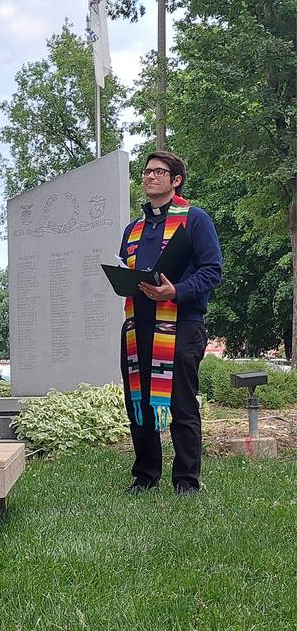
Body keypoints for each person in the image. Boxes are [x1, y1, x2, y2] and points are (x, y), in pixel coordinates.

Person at [118, 151, 221, 495]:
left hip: (182, 323)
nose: (149, 177)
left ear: (176, 180)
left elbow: (212, 271)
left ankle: (187, 481)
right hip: (137, 326)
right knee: (140, 402)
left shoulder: (195, 219)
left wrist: (175, 290)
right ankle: (145, 475)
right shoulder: (133, 228)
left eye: (158, 172)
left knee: (181, 404)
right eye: (146, 172)